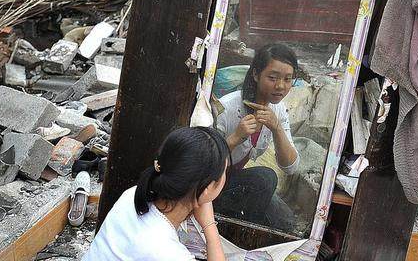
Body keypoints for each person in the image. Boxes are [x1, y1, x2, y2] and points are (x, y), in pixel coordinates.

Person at [83, 127, 229, 261]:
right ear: (208, 188)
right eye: (224, 171)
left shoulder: (133, 194)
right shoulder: (169, 253)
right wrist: (209, 225)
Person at [215, 43, 300, 227]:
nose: (280, 86)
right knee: (265, 178)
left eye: (288, 79)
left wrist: (277, 129)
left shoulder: (278, 111)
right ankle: (239, 233)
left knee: (286, 221)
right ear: (255, 74)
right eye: (272, 77)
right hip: (212, 184)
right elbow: (203, 161)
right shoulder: (227, 107)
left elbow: (291, 167)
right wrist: (236, 137)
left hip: (235, 182)